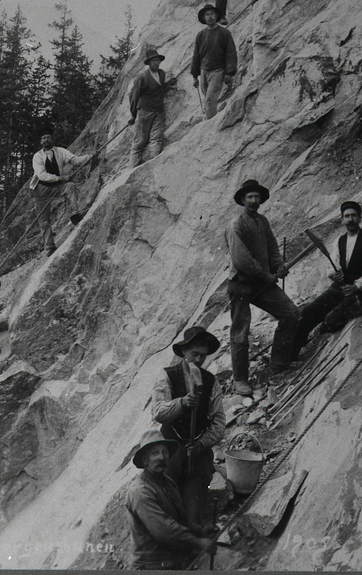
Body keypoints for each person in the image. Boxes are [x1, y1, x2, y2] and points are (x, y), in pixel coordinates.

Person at [224, 178, 300, 396]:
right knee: (241, 331)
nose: (254, 201)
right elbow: (241, 260)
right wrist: (265, 274)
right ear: (242, 200)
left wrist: (279, 264)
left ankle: (279, 363)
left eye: (257, 197)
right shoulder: (236, 225)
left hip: (261, 283)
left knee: (292, 314)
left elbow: (272, 247)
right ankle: (240, 380)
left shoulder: (263, 221)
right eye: (250, 197)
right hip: (240, 284)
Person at [151, 326, 226, 526]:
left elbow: (219, 423)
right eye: (194, 354)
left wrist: (202, 444)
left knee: (195, 505)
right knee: (167, 496)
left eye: (203, 355)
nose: (199, 360)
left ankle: (193, 526)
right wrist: (182, 403)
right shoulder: (167, 375)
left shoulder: (211, 381)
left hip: (196, 450)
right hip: (169, 446)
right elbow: (157, 412)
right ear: (184, 352)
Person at [293, 200, 362, 354]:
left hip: (361, 291)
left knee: (331, 320)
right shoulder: (339, 241)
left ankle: (327, 324)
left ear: (360, 218)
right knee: (308, 312)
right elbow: (331, 266)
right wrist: (335, 275)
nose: (350, 219)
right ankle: (293, 353)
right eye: (347, 216)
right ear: (342, 220)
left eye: (354, 215)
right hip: (339, 288)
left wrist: (356, 286)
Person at [124, 427, 217, 570]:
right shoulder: (141, 492)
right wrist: (199, 543)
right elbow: (165, 532)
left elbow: (180, 519)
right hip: (149, 566)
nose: (162, 457)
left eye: (164, 452)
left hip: (171, 562)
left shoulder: (167, 482)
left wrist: (199, 530)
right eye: (155, 453)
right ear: (145, 461)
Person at [30, 130, 89, 256]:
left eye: (48, 137)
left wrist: (89, 157)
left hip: (56, 186)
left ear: (52, 140)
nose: (46, 140)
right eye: (44, 138)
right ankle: (49, 246)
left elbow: (75, 160)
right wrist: (61, 178)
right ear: (41, 142)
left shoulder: (60, 151)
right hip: (40, 190)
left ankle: (74, 215)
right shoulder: (37, 156)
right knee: (44, 220)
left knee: (70, 186)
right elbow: (42, 175)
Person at [190, 5, 237, 120]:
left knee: (210, 98)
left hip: (218, 71)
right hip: (204, 71)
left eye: (212, 14)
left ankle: (209, 125)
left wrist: (229, 73)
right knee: (207, 98)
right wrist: (195, 76)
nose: (210, 17)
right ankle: (211, 117)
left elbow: (230, 53)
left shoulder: (224, 33)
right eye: (207, 14)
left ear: (216, 16)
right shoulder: (200, 35)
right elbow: (196, 55)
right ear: (204, 18)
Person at [129, 48, 169, 167]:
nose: (157, 63)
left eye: (158, 60)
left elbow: (159, 89)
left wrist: (168, 84)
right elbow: (133, 96)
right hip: (144, 112)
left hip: (158, 111)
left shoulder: (162, 74)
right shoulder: (141, 77)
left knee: (156, 139)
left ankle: (153, 165)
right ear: (149, 63)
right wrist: (133, 115)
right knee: (140, 141)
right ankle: (133, 167)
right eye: (154, 61)